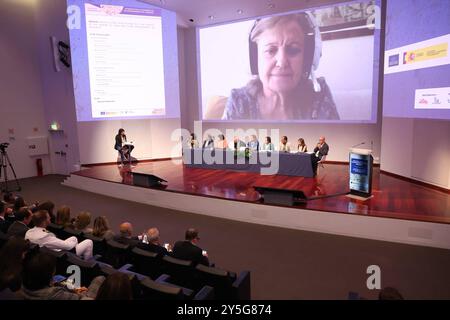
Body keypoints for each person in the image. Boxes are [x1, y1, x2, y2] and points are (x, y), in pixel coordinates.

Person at [220, 12, 339, 120]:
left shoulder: (319, 98)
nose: (282, 62)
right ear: (254, 58)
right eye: (271, 50)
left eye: (293, 50)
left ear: (307, 59)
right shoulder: (239, 102)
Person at [20, 251, 104, 300]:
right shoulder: (54, 294)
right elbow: (80, 298)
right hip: (83, 296)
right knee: (100, 279)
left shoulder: (24, 286)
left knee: (60, 278)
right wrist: (81, 292)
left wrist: (76, 289)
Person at [25, 210, 93, 260]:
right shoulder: (45, 236)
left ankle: (76, 257)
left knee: (74, 237)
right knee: (89, 242)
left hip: (48, 251)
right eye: (48, 217)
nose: (50, 218)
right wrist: (74, 243)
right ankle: (85, 263)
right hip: (59, 254)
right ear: (44, 221)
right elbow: (68, 246)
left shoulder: (29, 232)